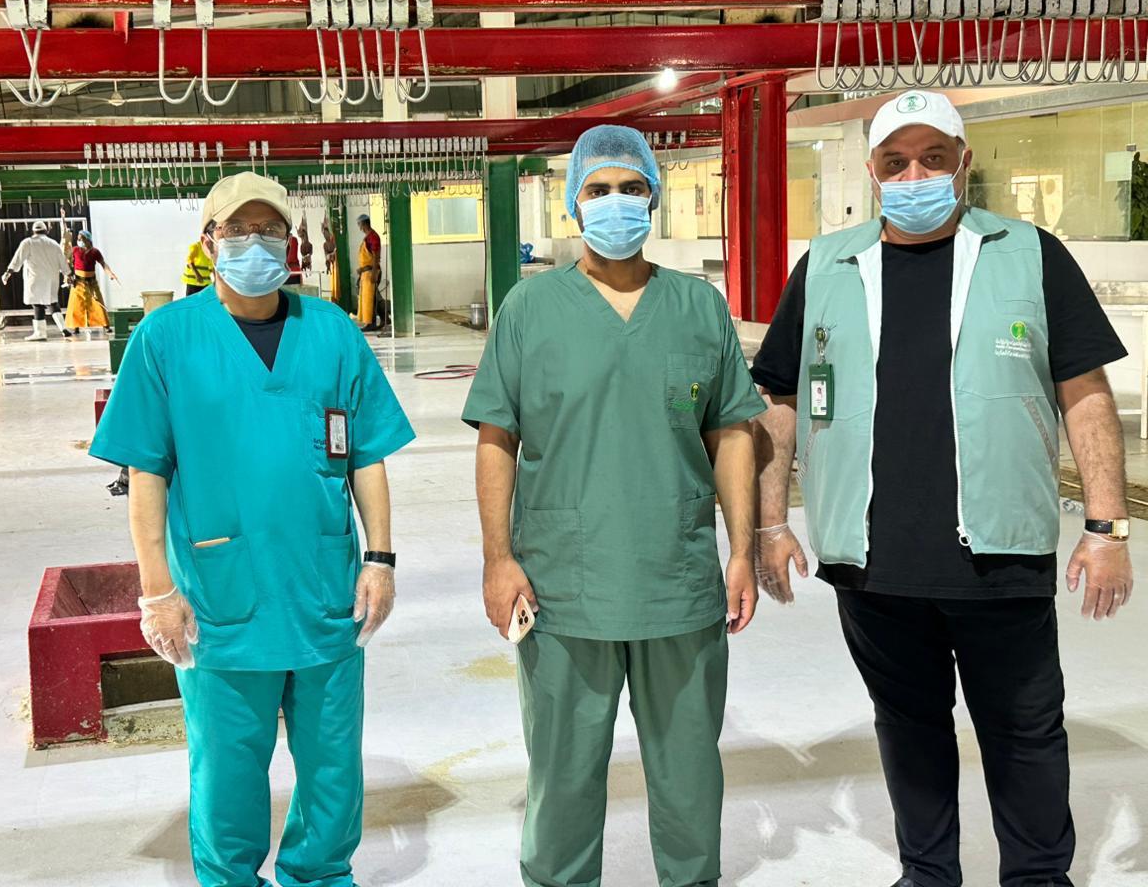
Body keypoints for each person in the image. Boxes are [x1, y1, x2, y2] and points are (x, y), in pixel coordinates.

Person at [750, 90, 1135, 887]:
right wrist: (769, 523)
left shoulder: (1029, 253)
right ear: (872, 171)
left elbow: (1085, 392)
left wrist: (1106, 526)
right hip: (871, 557)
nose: (914, 176)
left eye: (933, 158)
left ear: (965, 162)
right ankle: (928, 875)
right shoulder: (827, 264)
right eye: (896, 162)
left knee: (1025, 732)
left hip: (1001, 552)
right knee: (908, 728)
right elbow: (780, 398)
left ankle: (1038, 878)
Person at [90, 171, 415, 887]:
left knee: (333, 765)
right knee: (228, 771)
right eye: (237, 230)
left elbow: (367, 454)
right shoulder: (166, 339)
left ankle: (319, 876)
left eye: (269, 230)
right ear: (209, 242)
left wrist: (380, 559)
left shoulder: (331, 331)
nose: (254, 243)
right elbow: (146, 474)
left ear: (290, 241)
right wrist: (156, 592)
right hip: (221, 599)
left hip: (324, 591)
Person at [462, 125, 765, 887]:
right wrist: (498, 560)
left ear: (654, 198)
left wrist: (742, 550)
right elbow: (497, 438)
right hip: (564, 587)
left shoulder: (697, 307)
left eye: (631, 188)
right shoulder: (529, 309)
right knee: (562, 778)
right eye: (597, 190)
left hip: (677, 582)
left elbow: (732, 432)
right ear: (573, 205)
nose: (615, 202)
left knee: (689, 777)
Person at [2, 220, 71, 341]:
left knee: (37, 304)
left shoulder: (28, 242)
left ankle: (40, 333)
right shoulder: (54, 244)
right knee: (52, 303)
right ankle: (63, 328)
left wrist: (8, 272)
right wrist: (69, 274)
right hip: (51, 280)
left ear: (33, 231)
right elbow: (63, 262)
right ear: (46, 231)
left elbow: (17, 260)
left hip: (35, 279)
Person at [65, 230, 117, 335]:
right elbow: (67, 262)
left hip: (91, 283)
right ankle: (75, 326)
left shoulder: (95, 252)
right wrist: (68, 276)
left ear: (88, 240)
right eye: (78, 239)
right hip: (78, 282)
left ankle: (105, 325)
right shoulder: (75, 250)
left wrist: (110, 273)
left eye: (82, 239)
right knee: (76, 304)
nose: (79, 241)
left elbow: (103, 264)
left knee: (97, 302)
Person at [355, 214, 382, 331]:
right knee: (373, 298)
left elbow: (376, 256)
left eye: (359, 224)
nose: (359, 227)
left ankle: (371, 323)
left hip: (371, 272)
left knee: (370, 299)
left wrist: (374, 273)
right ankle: (384, 318)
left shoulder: (373, 237)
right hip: (366, 272)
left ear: (364, 224)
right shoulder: (368, 237)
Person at [324, 216, 341, 305]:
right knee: (333, 285)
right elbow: (326, 256)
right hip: (331, 265)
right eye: (324, 233)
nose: (325, 235)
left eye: (326, 233)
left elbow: (336, 250)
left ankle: (337, 299)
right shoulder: (325, 244)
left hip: (336, 264)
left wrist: (332, 254)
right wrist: (329, 258)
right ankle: (334, 300)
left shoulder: (333, 240)